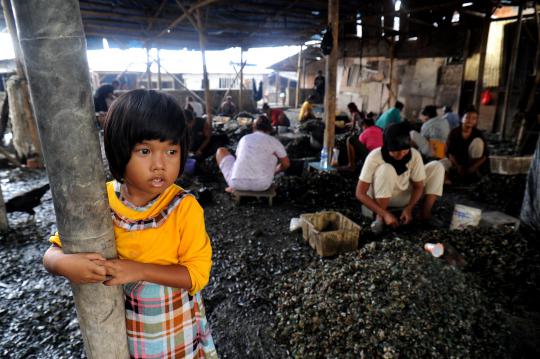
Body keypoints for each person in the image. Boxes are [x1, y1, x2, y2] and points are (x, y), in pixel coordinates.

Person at [43, 89, 217, 358]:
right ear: (119, 150)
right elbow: (51, 253)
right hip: (118, 331)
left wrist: (139, 270)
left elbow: (197, 275)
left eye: (171, 151)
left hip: (172, 326)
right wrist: (64, 263)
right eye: (145, 151)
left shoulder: (184, 208)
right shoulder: (99, 202)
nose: (160, 164)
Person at [355, 122, 445, 234]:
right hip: (379, 199)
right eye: (396, 151)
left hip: (404, 196)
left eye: (405, 151)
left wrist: (409, 208)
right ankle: (379, 218)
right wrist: (384, 213)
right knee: (386, 168)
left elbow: (419, 186)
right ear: (387, 146)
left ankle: (425, 214)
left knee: (437, 166)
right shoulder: (375, 156)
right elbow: (360, 193)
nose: (401, 155)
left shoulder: (414, 155)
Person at [216, 115, 290, 192]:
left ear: (254, 127)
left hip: (237, 183)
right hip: (262, 185)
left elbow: (239, 158)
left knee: (220, 151)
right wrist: (275, 171)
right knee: (273, 156)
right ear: (270, 128)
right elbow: (286, 164)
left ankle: (232, 185)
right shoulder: (275, 142)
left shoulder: (244, 138)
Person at [441, 106, 489, 182]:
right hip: (455, 163)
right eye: (467, 117)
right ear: (462, 118)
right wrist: (457, 166)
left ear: (476, 121)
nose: (470, 120)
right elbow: (449, 152)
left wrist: (473, 167)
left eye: (474, 118)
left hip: (471, 164)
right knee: (441, 163)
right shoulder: (454, 133)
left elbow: (485, 156)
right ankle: (447, 180)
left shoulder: (478, 134)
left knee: (478, 142)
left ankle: (473, 177)